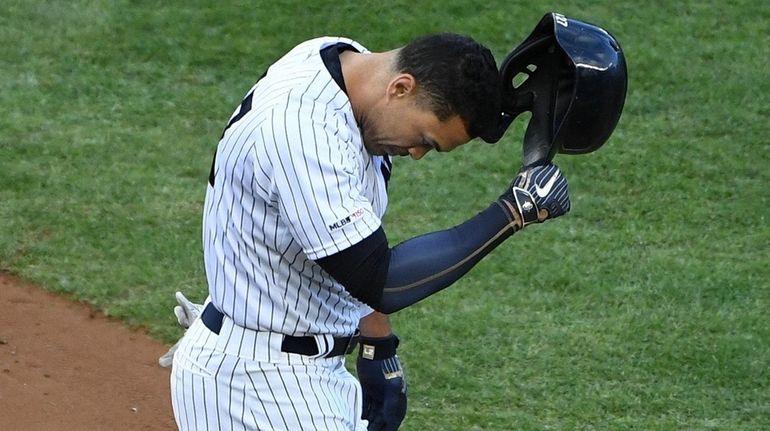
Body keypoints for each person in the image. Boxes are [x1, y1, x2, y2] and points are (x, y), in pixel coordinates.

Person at [168, 33, 570, 431]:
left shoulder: (348, 68)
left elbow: (354, 245)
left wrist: (378, 342)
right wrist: (513, 212)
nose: (416, 153)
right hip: (257, 384)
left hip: (294, 367)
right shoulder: (303, 133)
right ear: (401, 87)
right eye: (425, 139)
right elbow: (381, 279)